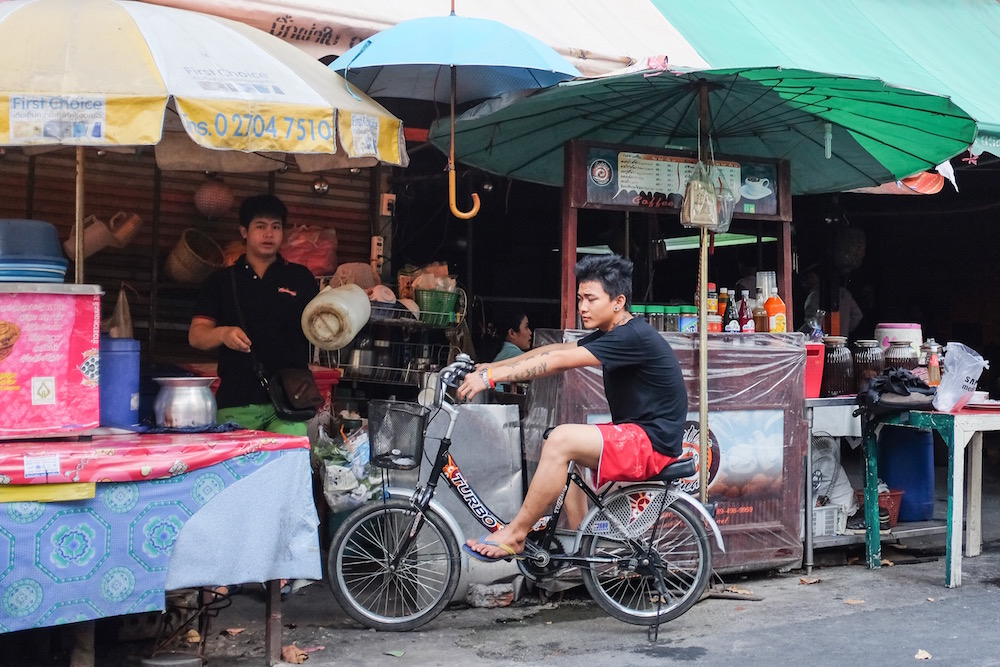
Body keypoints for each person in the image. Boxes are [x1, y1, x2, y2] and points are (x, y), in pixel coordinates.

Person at [458, 253, 688, 562]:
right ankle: (586, 545)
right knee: (560, 441)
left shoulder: (630, 337)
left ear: (618, 301)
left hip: (651, 443)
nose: (582, 307)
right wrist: (494, 366)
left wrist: (490, 377)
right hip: (638, 435)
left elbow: (559, 361)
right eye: (580, 298)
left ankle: (515, 534)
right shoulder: (614, 332)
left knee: (562, 440)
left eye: (591, 299)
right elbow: (556, 350)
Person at [188, 194, 319, 436]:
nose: (269, 234)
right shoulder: (222, 281)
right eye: (260, 226)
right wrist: (223, 333)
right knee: (238, 471)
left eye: (276, 227)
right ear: (244, 231)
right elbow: (196, 336)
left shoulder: (301, 278)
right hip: (237, 401)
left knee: (285, 468)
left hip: (290, 402)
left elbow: (321, 324)